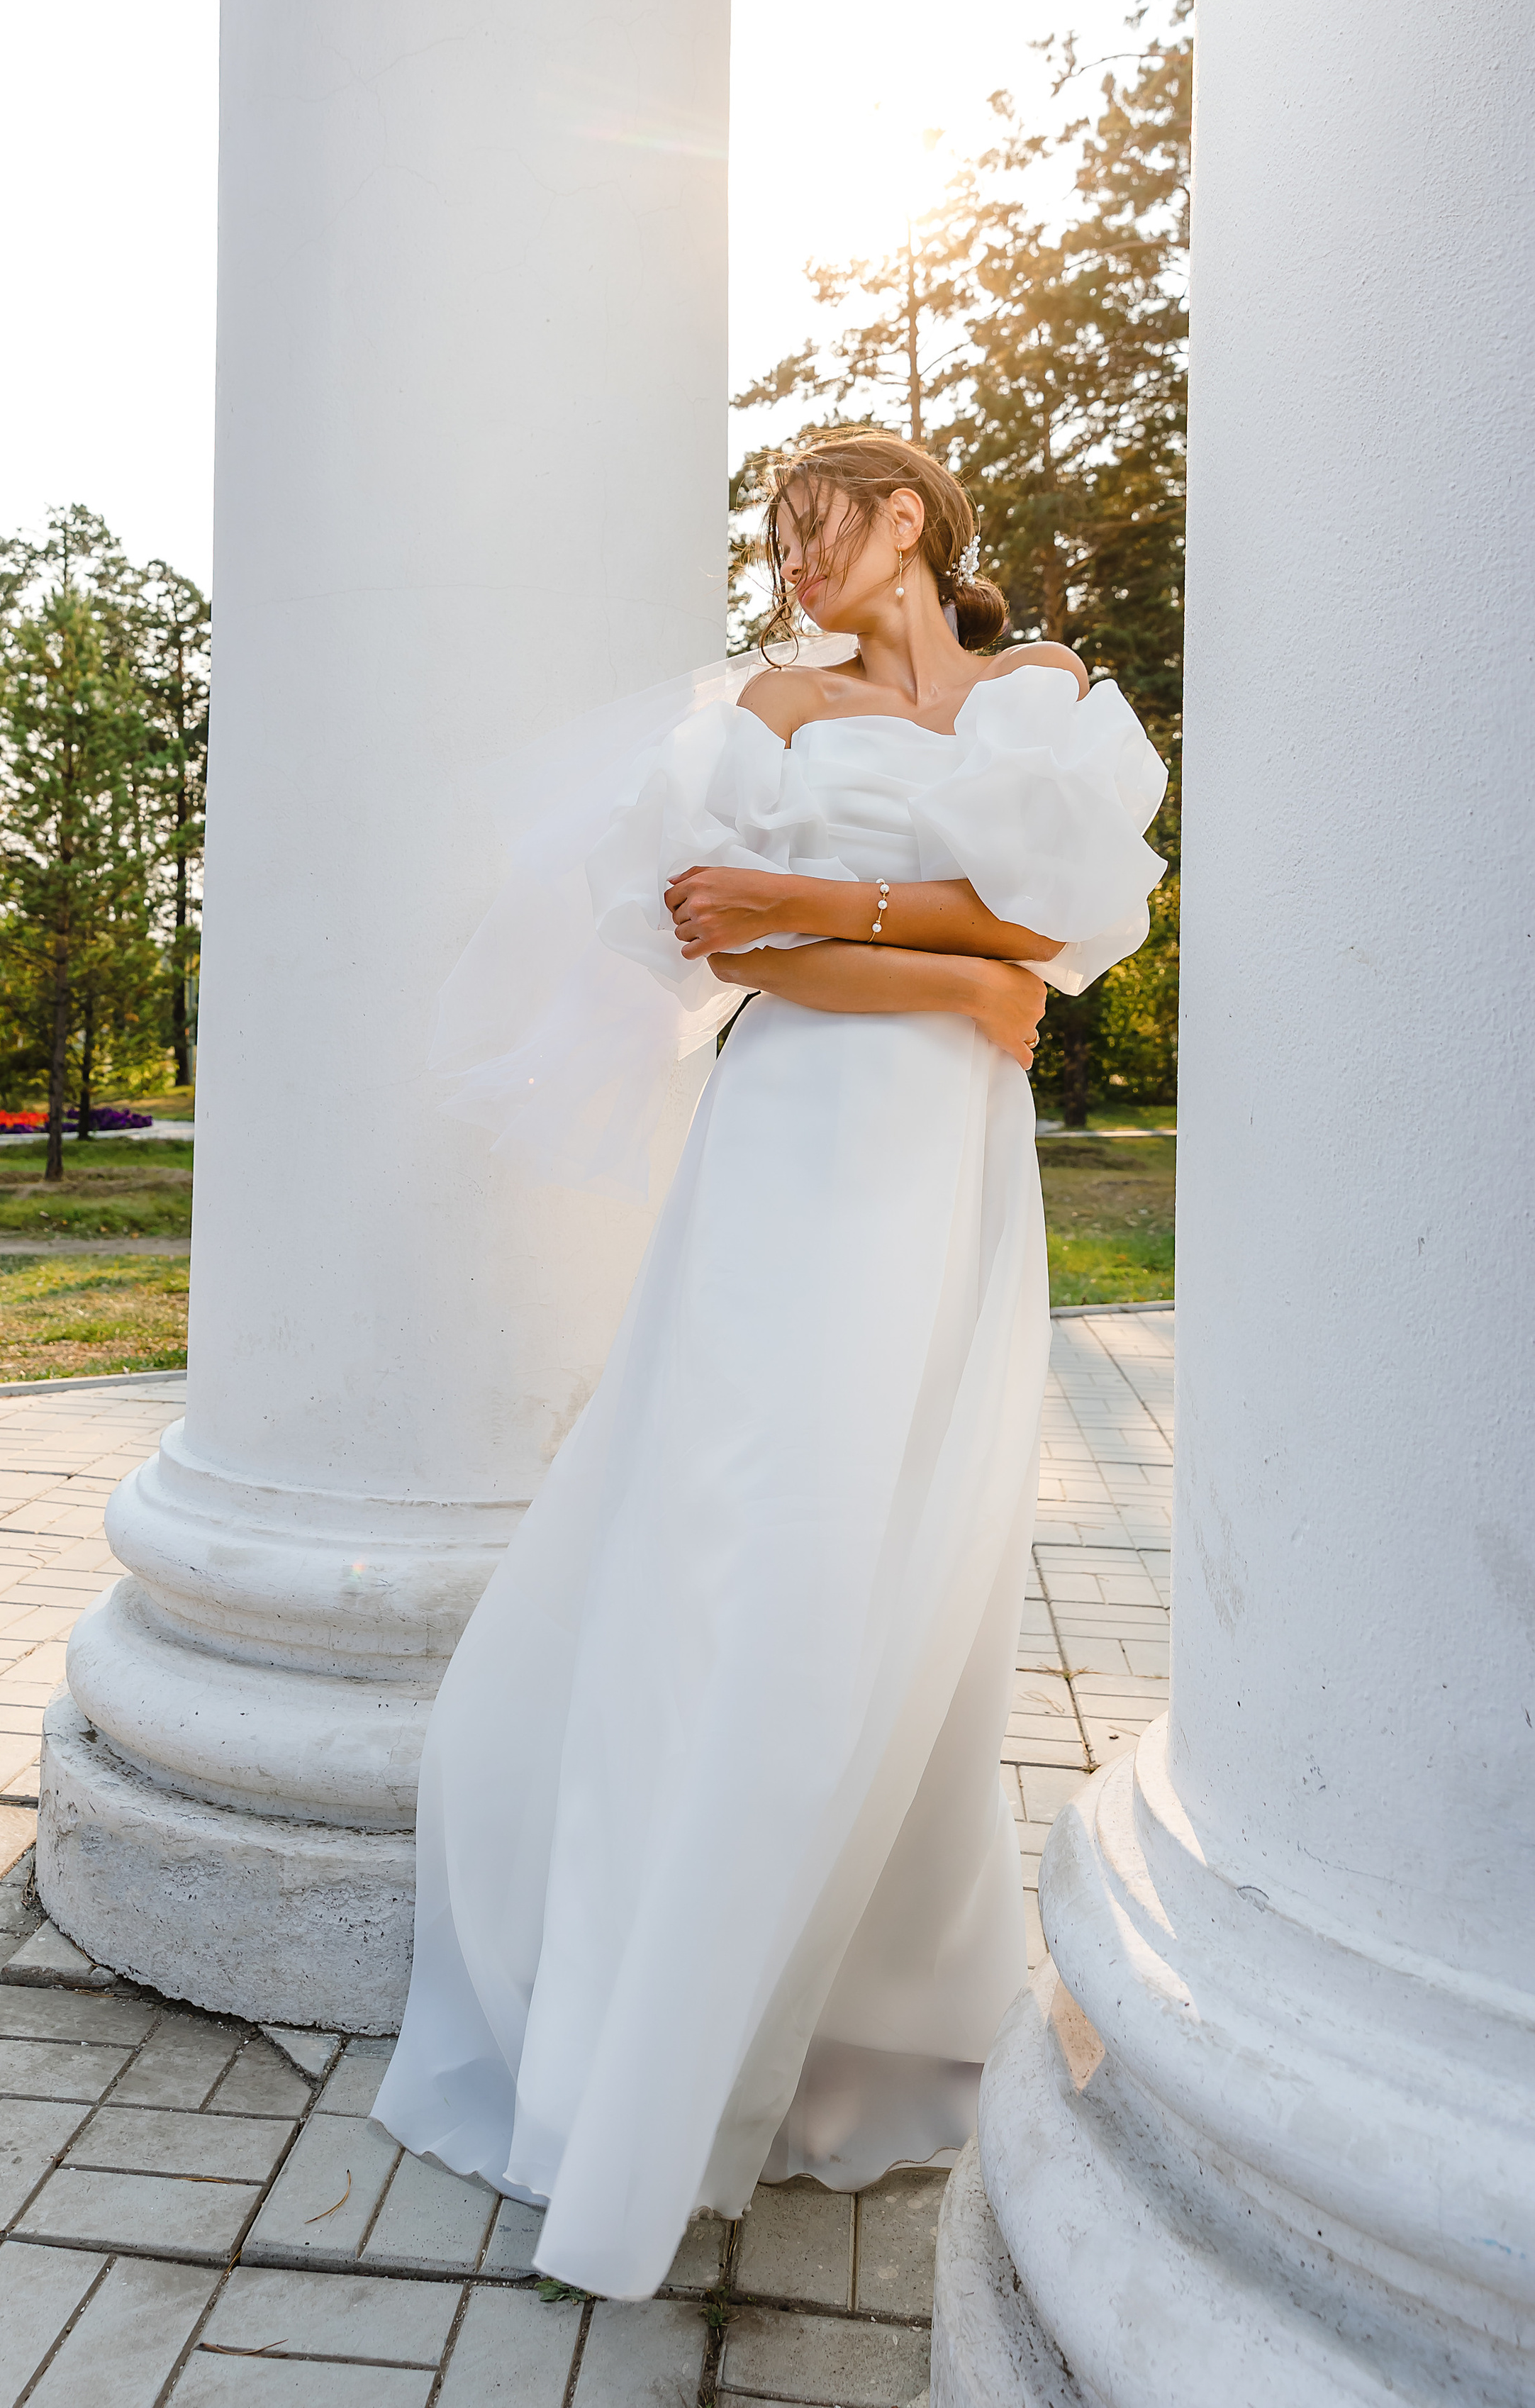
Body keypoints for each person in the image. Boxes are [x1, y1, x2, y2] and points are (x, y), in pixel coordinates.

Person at [372, 428, 1168, 2301]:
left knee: (906, 1565)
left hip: (947, 1179)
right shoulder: (762, 712)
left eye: (823, 519)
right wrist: (947, 964)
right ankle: (650, 2051)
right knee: (752, 1554)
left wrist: (862, 924)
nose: (795, 555)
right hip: (792, 1162)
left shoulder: (1042, 697)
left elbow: (1043, 955)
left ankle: (841, 2011)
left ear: (913, 515)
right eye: (776, 531)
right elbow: (739, 945)